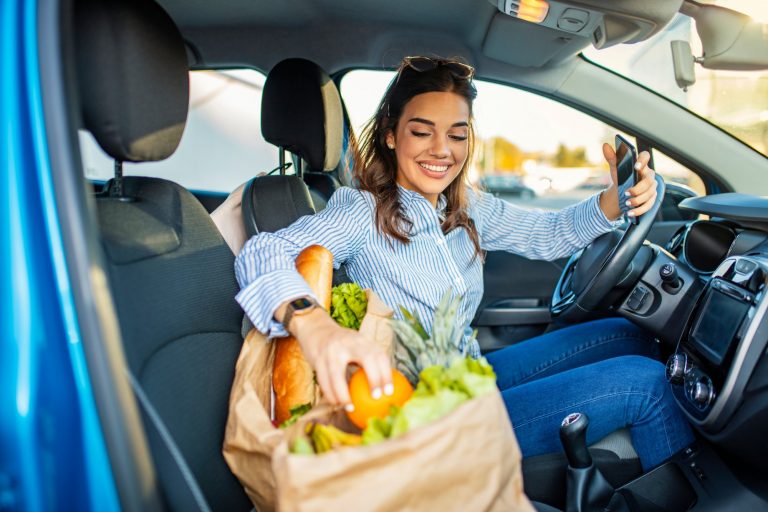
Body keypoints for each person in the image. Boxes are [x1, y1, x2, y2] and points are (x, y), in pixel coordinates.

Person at [235, 56, 693, 471]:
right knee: (647, 384)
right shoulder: (360, 210)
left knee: (629, 334)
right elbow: (263, 252)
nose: (442, 150)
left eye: (457, 134)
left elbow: (545, 234)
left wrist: (613, 202)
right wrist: (315, 327)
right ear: (392, 135)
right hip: (428, 419)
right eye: (422, 131)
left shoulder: (464, 208)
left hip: (469, 374)